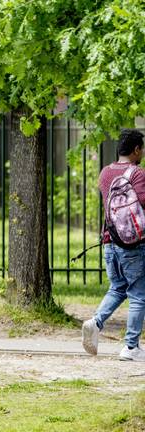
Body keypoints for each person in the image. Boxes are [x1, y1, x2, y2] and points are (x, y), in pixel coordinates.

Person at [83, 129, 145, 361]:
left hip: (109, 240)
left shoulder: (105, 172)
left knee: (118, 287)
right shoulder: (137, 173)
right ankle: (131, 347)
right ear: (136, 149)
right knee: (138, 294)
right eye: (142, 148)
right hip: (133, 244)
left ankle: (95, 322)